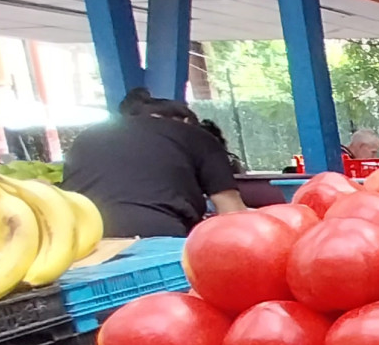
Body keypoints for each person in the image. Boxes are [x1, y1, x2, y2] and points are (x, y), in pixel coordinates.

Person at [63, 89, 246, 237]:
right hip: (158, 236)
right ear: (184, 120)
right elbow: (233, 214)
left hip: (80, 238)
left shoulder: (87, 136)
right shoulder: (196, 136)